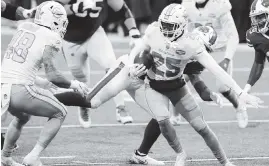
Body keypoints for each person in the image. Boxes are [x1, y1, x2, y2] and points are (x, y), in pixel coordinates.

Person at [1, 1, 88, 166]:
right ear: (53, 19)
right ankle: (33, 156)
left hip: (3, 86)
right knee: (60, 112)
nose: (63, 25)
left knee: (22, 116)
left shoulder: (24, 27)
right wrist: (74, 84)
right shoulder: (51, 37)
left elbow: (18, 66)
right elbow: (54, 75)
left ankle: (5, 156)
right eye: (61, 20)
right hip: (19, 91)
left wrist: (43, 83)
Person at [53, 0, 141, 127]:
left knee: (113, 67)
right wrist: (75, 7)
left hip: (94, 33)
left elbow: (123, 9)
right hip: (70, 39)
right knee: (80, 78)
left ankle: (120, 107)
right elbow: (54, 9)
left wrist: (134, 32)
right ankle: (83, 105)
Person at [168, 0, 248, 128]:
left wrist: (227, 59)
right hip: (197, 48)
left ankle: (239, 106)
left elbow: (233, 35)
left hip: (218, 49)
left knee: (223, 87)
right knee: (177, 79)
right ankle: (175, 115)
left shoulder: (220, 5)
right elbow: (182, 28)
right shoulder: (187, 4)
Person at [244, 0, 269, 93]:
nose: (257, 21)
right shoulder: (256, 36)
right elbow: (259, 62)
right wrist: (247, 87)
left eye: (261, 17)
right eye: (255, 18)